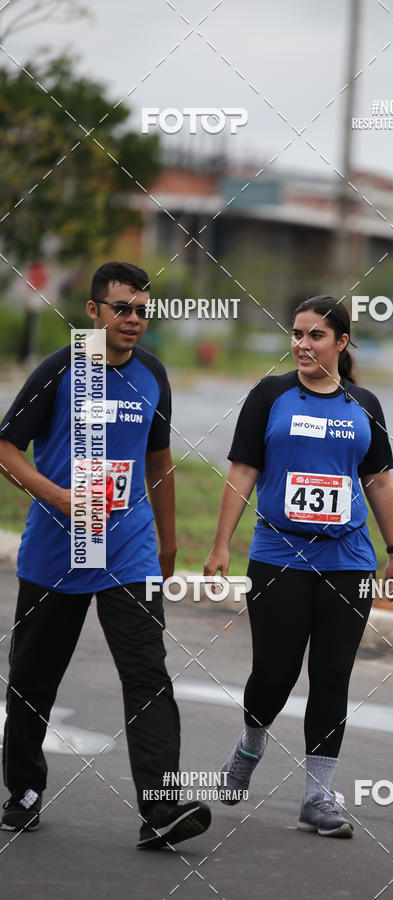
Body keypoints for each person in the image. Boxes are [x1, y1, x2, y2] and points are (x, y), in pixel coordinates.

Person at [0, 261, 211, 849]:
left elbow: (159, 463)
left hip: (129, 550)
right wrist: (59, 498)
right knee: (33, 680)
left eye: (143, 310)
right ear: (92, 311)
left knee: (148, 676)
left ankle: (161, 808)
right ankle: (23, 790)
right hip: (55, 551)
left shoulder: (153, 375)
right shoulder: (61, 369)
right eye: (122, 308)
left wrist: (168, 543)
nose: (134, 320)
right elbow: (6, 446)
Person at [204, 295, 393, 838]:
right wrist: (221, 545)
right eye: (296, 334)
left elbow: (379, 481)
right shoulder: (270, 395)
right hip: (277, 556)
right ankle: (250, 745)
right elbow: (242, 470)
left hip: (349, 560)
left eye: (315, 335)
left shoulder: (364, 403)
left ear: (341, 343)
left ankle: (319, 796)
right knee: (274, 672)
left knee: (332, 676)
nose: (302, 344)